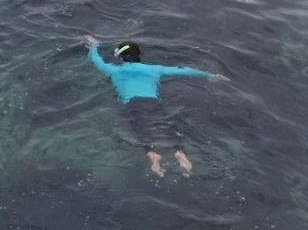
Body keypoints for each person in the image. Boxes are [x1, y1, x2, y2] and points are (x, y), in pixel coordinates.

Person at [83, 35, 227, 178]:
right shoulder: (154, 69)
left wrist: (93, 45)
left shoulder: (113, 70)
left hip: (132, 104)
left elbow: (96, 60)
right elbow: (182, 70)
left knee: (140, 130)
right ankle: (180, 153)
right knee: (169, 126)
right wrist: (208, 76)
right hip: (153, 102)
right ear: (138, 55)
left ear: (121, 57)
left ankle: (152, 155)